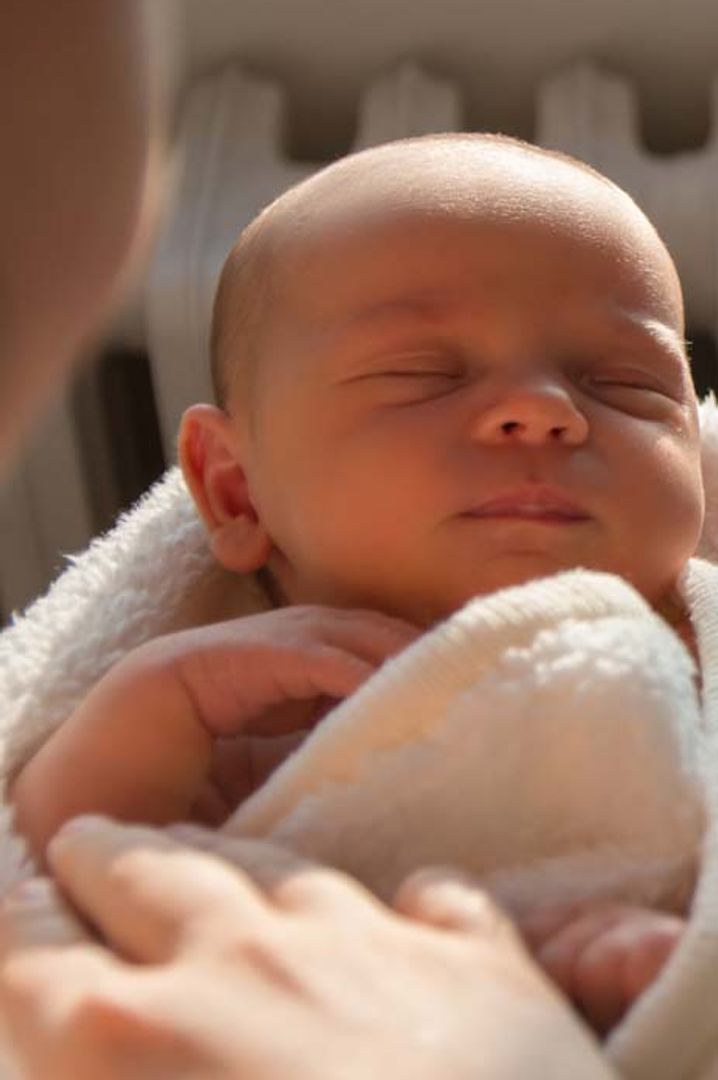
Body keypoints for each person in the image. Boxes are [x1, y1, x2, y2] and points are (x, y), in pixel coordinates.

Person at [0, 4, 622, 1076]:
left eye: (626, 385)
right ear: (237, 494)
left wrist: (659, 937)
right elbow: (67, 870)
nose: (545, 411)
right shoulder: (263, 728)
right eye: (423, 373)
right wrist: (163, 698)